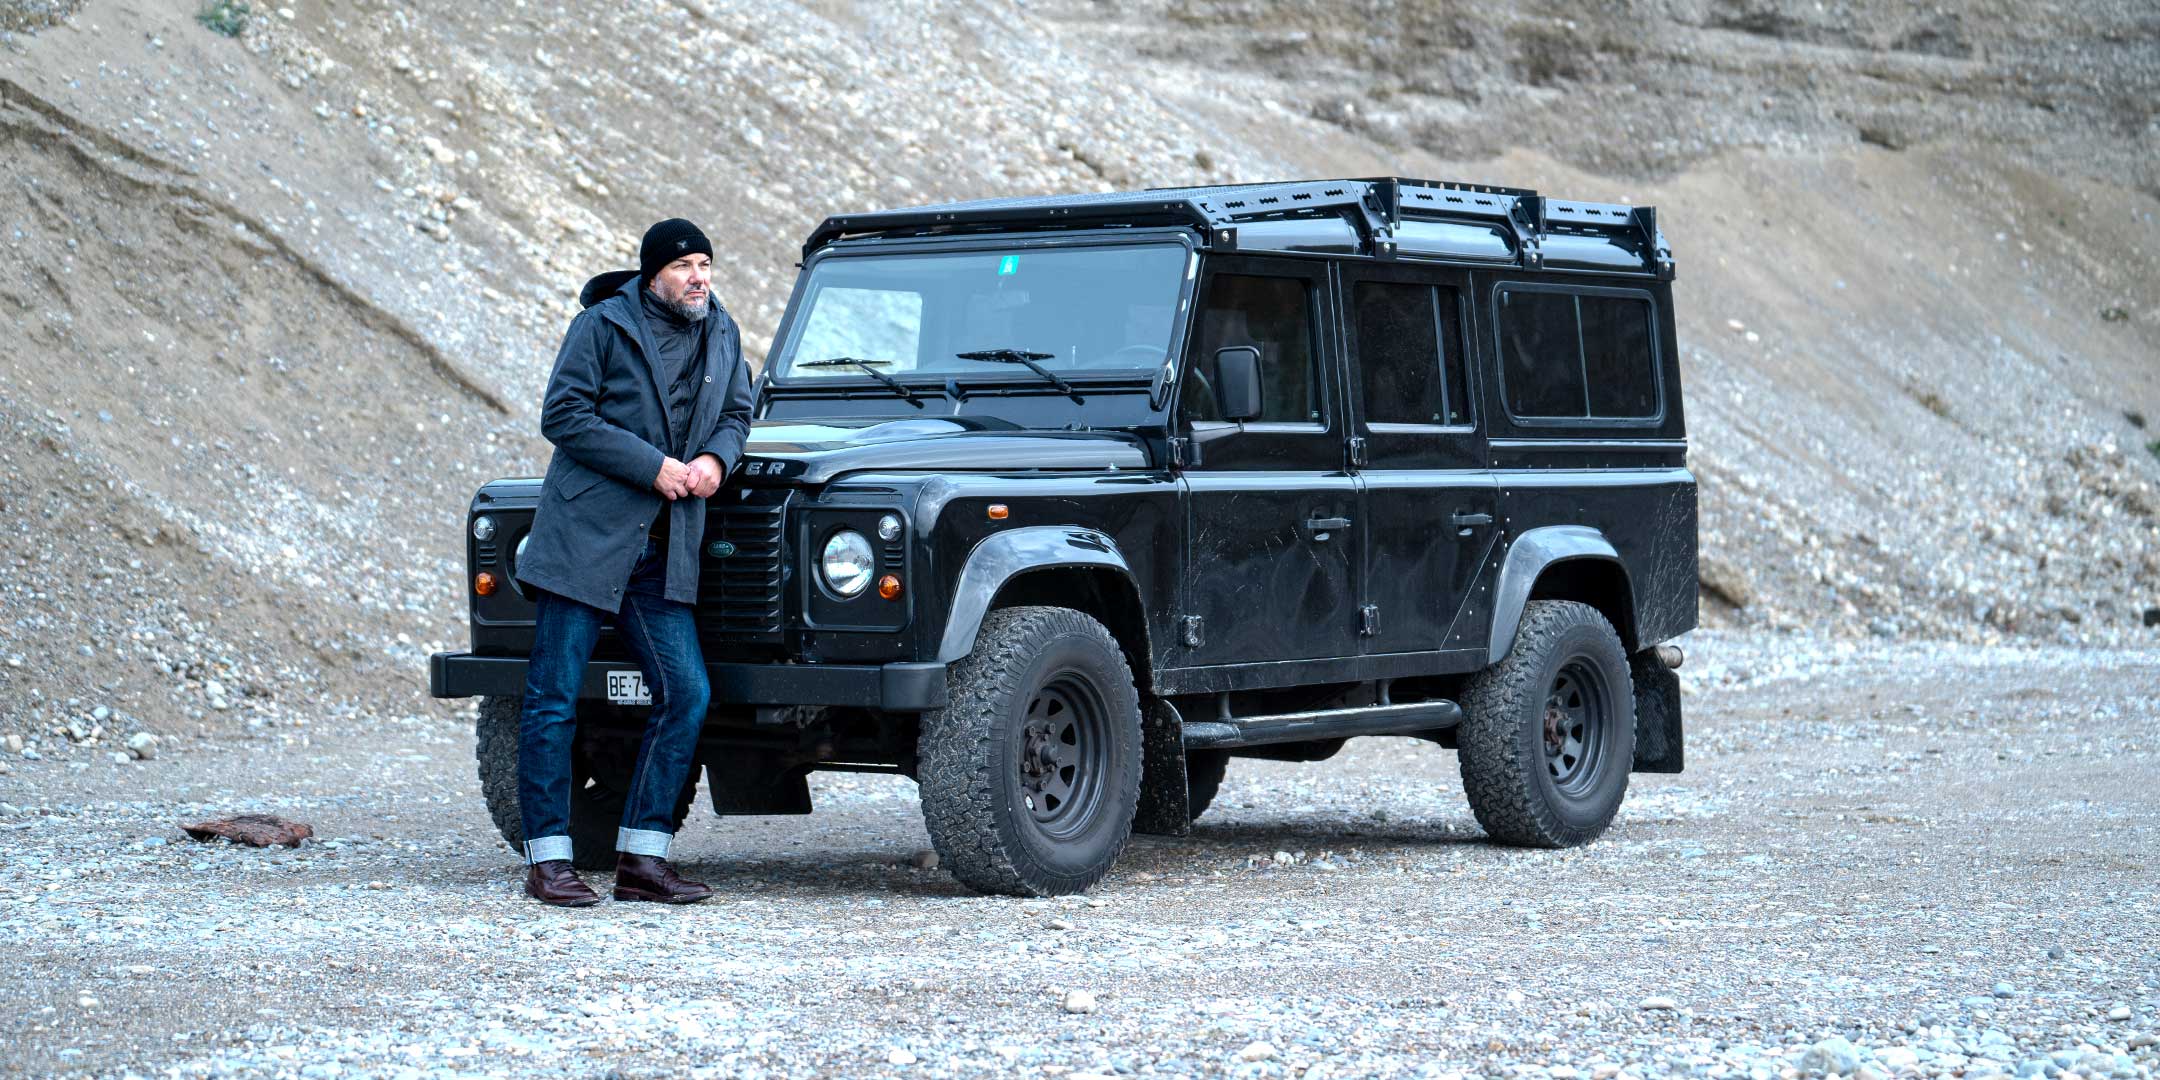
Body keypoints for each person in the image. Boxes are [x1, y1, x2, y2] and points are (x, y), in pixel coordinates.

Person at [509, 218, 755, 907]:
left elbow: (738, 413)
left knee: (688, 693)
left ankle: (643, 861)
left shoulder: (723, 332)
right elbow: (562, 415)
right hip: (586, 541)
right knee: (553, 701)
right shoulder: (602, 326)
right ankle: (549, 862)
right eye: (685, 266)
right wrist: (654, 467)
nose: (699, 276)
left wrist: (714, 460)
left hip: (663, 550)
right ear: (654, 274)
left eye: (705, 263)